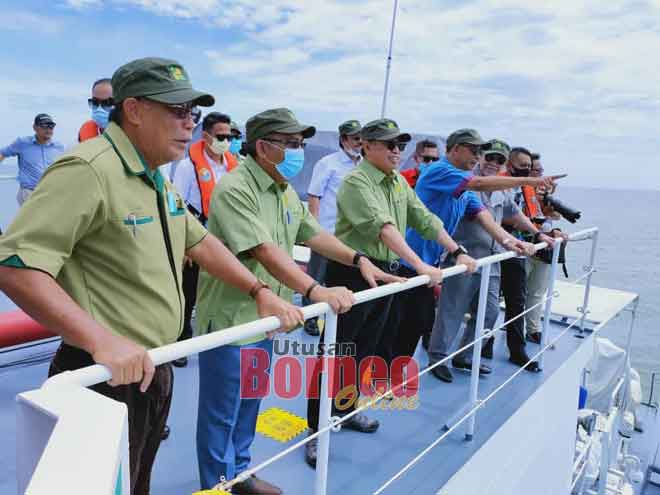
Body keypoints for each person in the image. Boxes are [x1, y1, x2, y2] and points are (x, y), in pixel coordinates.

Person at [0, 58, 302, 495]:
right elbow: (16, 264)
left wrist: (259, 291)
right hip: (103, 372)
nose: (189, 124)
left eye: (193, 115)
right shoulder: (89, 170)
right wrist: (100, 340)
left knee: (136, 480)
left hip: (152, 367)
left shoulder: (153, 176)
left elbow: (199, 243)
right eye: (178, 112)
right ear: (136, 110)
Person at [194, 108, 399, 493]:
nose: (298, 150)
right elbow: (264, 250)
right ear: (262, 146)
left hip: (269, 320)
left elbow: (313, 233)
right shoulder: (236, 188)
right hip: (230, 320)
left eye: (301, 143)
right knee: (221, 413)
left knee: (248, 406)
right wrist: (315, 290)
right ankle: (216, 485)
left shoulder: (284, 191)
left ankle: (240, 473)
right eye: (290, 143)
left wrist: (359, 259)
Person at [305, 118, 471, 468]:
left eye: (400, 145)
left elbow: (424, 219)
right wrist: (422, 266)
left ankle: (346, 410)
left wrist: (456, 251)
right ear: (366, 145)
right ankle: (316, 431)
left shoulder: (397, 182)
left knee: (367, 349)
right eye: (390, 144)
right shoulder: (356, 182)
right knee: (337, 353)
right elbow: (385, 229)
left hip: (386, 277)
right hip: (352, 273)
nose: (398, 151)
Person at [402, 129, 561, 380]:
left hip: (450, 259)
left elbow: (484, 216)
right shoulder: (444, 172)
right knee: (425, 318)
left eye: (497, 159)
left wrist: (511, 241)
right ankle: (433, 361)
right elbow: (477, 184)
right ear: (454, 149)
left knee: (487, 312)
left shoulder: (471, 187)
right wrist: (529, 181)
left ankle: (462, 356)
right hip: (411, 258)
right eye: (477, 152)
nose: (482, 158)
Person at [169, 112, 239, 367]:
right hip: (197, 233)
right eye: (221, 136)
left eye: (229, 136)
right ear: (206, 136)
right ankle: (180, 344)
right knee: (188, 293)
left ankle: (217, 339)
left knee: (221, 290)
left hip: (226, 237)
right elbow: (176, 205)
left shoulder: (234, 165)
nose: (225, 141)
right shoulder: (188, 167)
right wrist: (185, 244)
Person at [302, 119, 362, 336]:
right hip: (327, 232)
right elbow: (314, 195)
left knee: (342, 278)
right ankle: (310, 317)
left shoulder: (363, 165)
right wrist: (314, 229)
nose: (360, 142)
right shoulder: (327, 164)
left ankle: (337, 314)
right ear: (344, 139)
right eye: (356, 138)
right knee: (317, 275)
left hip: (352, 235)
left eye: (362, 139)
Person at [0, 113, 64, 205]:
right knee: (32, 219)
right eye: (44, 126)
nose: (48, 129)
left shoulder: (59, 147)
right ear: (35, 127)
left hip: (50, 192)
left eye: (51, 126)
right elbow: (2, 153)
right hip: (29, 193)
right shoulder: (22, 143)